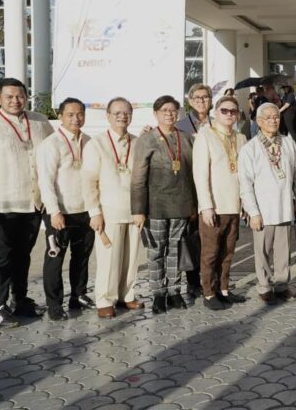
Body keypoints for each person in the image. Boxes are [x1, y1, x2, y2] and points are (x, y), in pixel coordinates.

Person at [0, 77, 54, 328]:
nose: (15, 101)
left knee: (22, 256)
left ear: (26, 97)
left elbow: (55, 152)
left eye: (20, 96)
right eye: (9, 96)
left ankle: (20, 300)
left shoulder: (39, 121)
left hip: (32, 205)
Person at [131, 95, 197, 314]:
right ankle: (158, 293)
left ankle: (175, 291)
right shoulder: (147, 139)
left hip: (181, 204)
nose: (169, 114)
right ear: (156, 113)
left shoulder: (186, 138)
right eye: (164, 110)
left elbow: (193, 174)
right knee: (156, 251)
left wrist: (194, 205)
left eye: (173, 110)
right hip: (156, 206)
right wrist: (139, 210)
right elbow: (138, 177)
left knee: (175, 250)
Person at [81, 97, 145, 319]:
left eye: (126, 112)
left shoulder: (138, 142)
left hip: (134, 211)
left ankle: (127, 294)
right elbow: (88, 181)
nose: (122, 116)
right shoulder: (96, 144)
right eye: (117, 112)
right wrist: (94, 212)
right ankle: (105, 299)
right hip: (108, 212)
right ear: (107, 116)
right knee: (109, 259)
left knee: (132, 257)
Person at [37, 97, 95, 320]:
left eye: (80, 113)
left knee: (81, 256)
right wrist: (54, 211)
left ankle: (78, 295)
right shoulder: (51, 144)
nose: (76, 118)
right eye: (70, 114)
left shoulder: (89, 141)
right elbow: (45, 181)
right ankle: (54, 304)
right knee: (55, 258)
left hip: (84, 210)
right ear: (60, 116)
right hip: (59, 212)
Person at [240, 102, 296, 304]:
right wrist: (253, 211)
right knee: (263, 250)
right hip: (262, 209)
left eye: (276, 117)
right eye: (268, 117)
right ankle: (265, 286)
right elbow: (245, 183)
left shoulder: (288, 143)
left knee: (284, 250)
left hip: (285, 205)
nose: (273, 120)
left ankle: (282, 285)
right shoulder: (250, 148)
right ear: (258, 122)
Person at [192, 95, 249, 310]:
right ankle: (208, 292)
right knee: (210, 252)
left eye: (233, 111)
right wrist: (205, 205)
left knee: (228, 250)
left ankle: (224, 289)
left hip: (234, 204)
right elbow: (200, 174)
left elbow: (244, 174)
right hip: (214, 205)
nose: (229, 114)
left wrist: (245, 203)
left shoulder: (241, 138)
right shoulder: (205, 136)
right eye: (224, 110)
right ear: (216, 112)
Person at [175, 83, 212, 302]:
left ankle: (212, 279)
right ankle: (192, 282)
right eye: (196, 97)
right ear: (190, 101)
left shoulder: (219, 122)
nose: (201, 100)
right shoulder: (181, 125)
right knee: (191, 238)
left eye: (205, 97)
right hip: (189, 189)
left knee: (211, 237)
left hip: (213, 189)